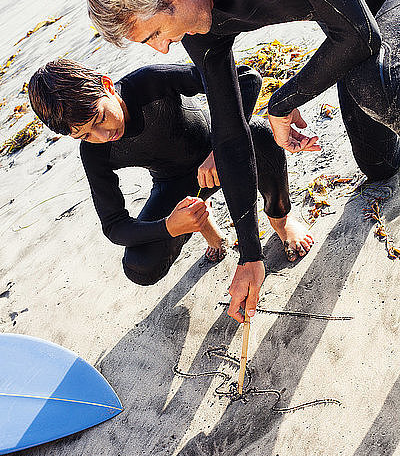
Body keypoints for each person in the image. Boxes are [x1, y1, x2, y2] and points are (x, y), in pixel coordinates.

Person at [82, 0, 400, 321]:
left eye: (154, 34)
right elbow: (230, 138)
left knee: (372, 86)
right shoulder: (199, 29)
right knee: (380, 164)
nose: (163, 50)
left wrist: (282, 103)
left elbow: (360, 38)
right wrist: (250, 254)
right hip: (348, 32)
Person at [28, 59, 314, 287]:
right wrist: (169, 226)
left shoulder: (149, 83)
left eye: (100, 117)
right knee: (140, 266)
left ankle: (281, 219)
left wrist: (220, 147)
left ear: (107, 85)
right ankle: (200, 219)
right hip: (177, 186)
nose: (103, 135)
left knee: (259, 134)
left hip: (218, 149)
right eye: (85, 135)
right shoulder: (94, 153)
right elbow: (114, 226)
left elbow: (246, 77)